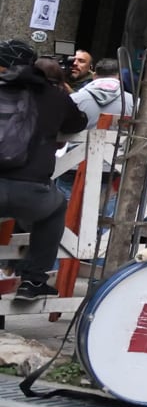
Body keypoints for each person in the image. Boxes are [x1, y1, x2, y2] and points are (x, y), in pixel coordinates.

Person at [1, 42, 88, 300]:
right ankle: (34, 281)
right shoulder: (54, 95)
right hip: (32, 192)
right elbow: (78, 121)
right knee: (56, 209)